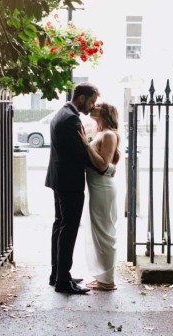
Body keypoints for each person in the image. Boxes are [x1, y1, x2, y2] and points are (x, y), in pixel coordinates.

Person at [45, 83, 115, 294]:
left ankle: (57, 274)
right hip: (69, 183)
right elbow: (81, 155)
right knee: (68, 230)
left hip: (59, 180)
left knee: (60, 227)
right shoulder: (71, 119)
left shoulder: (62, 113)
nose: (92, 106)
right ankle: (63, 282)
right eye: (92, 101)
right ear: (82, 98)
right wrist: (107, 166)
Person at [79, 102, 120, 291]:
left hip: (103, 188)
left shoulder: (109, 134)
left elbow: (104, 165)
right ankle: (103, 277)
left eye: (96, 106)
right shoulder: (101, 133)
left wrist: (87, 146)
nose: (91, 108)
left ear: (104, 112)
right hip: (97, 187)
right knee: (98, 233)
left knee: (104, 233)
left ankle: (108, 281)